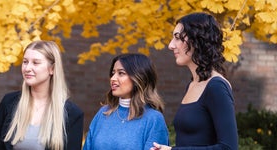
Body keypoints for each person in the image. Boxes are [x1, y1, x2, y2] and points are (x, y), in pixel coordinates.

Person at [151, 12, 238, 150]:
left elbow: (228, 147)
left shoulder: (216, 86)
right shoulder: (192, 85)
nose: (170, 45)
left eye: (177, 38)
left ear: (197, 41)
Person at [0, 40, 84, 150]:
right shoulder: (9, 102)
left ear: (52, 69)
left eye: (35, 63)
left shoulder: (72, 114)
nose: (27, 68)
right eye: (25, 62)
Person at [83, 53, 169, 150]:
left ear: (139, 78)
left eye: (121, 73)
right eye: (113, 73)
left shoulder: (153, 119)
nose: (113, 78)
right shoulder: (103, 113)